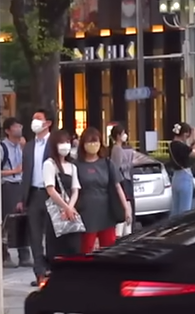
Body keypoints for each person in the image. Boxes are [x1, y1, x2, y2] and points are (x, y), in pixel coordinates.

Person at [72, 125, 132, 253]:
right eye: (89, 141)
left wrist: (126, 208)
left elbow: (118, 186)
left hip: (106, 211)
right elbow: (73, 190)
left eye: (96, 141)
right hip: (86, 212)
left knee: (109, 249)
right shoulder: (76, 165)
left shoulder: (107, 163)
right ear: (83, 144)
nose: (93, 145)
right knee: (86, 249)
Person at [19, 109, 54, 280]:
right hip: (33, 194)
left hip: (52, 195)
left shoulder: (55, 143)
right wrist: (22, 198)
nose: (34, 122)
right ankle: (39, 272)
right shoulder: (29, 146)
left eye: (38, 119)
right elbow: (25, 173)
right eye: (33, 119)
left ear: (48, 123)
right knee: (35, 235)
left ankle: (51, 270)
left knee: (52, 234)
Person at [41, 130, 82, 258]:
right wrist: (66, 207)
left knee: (74, 248)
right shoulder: (49, 164)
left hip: (71, 211)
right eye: (62, 142)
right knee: (57, 250)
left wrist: (70, 207)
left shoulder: (72, 166)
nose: (66, 145)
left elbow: (75, 190)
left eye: (67, 142)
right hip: (56, 212)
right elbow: (51, 190)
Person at [0, 118, 29, 268]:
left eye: (20, 125)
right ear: (7, 130)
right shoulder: (1, 148)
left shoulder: (21, 145)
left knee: (24, 220)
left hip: (21, 184)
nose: (19, 128)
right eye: (15, 126)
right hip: (8, 185)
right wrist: (14, 171)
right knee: (8, 221)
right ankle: (4, 255)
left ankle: (24, 254)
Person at [109, 123, 137, 237]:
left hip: (125, 180)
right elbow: (118, 167)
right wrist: (131, 163)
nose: (125, 135)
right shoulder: (117, 149)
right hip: (124, 181)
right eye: (123, 133)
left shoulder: (118, 148)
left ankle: (126, 232)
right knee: (127, 207)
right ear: (118, 136)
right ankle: (124, 234)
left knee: (128, 206)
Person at [167, 123, 195, 215]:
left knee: (175, 209)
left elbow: (187, 150)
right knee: (184, 210)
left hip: (175, 178)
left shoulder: (172, 145)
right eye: (188, 136)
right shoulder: (182, 146)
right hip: (184, 177)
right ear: (185, 134)